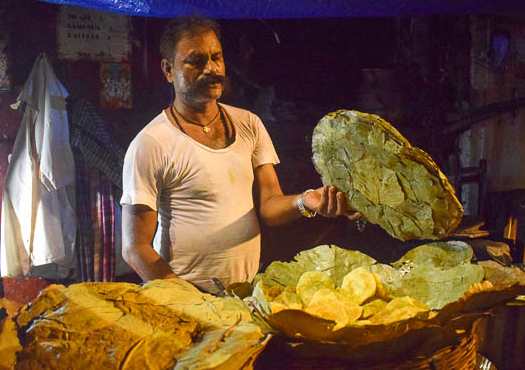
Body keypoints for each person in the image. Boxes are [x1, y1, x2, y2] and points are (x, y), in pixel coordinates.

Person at [121, 15, 360, 293]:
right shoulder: (151, 143)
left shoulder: (249, 124)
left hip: (245, 294)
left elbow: (269, 205)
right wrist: (184, 299)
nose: (211, 68)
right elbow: (135, 248)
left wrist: (306, 201)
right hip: (186, 300)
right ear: (167, 70)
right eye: (195, 61)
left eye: (216, 57)